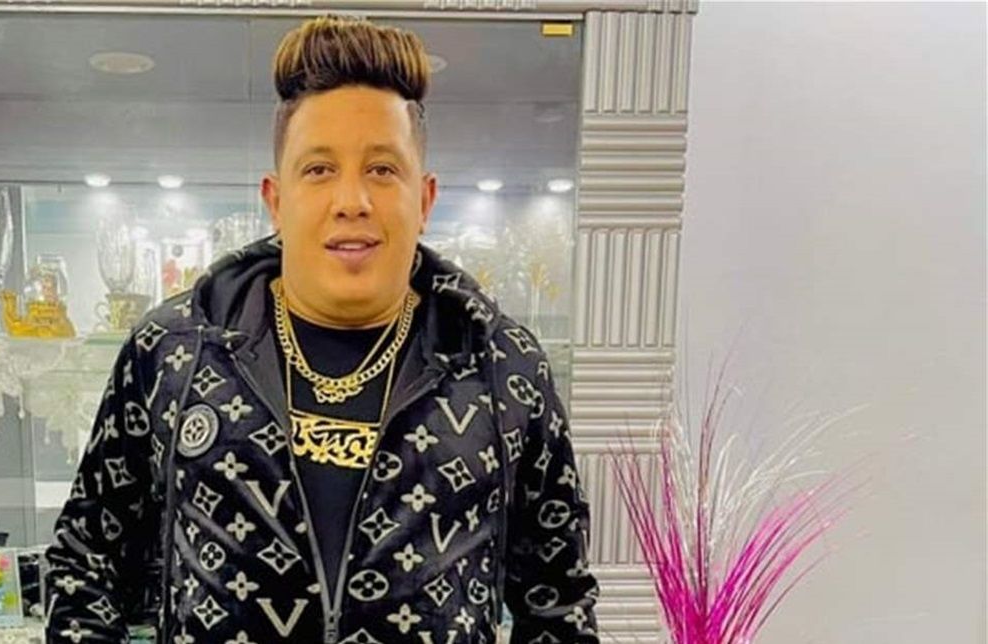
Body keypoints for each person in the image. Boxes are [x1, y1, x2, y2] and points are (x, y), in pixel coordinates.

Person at [45, 14, 599, 644]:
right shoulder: (172, 351)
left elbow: (559, 603)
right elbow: (85, 562)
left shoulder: (503, 366)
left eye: (383, 169)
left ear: (425, 198)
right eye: (318, 169)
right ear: (276, 199)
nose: (351, 200)